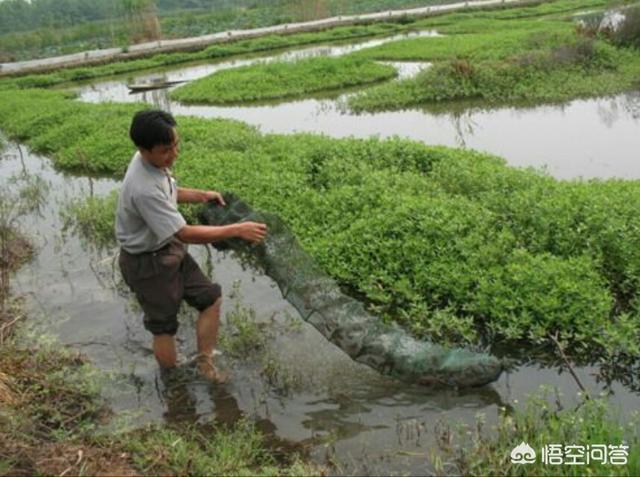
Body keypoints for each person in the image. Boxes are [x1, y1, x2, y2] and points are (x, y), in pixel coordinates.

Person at [116, 110, 267, 382]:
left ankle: (204, 364)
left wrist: (201, 195)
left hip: (167, 249)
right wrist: (236, 229)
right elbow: (184, 233)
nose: (174, 154)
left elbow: (170, 193)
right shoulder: (143, 188)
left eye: (176, 144)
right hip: (146, 263)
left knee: (210, 299)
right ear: (143, 149)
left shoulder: (150, 163)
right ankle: (174, 384)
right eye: (166, 150)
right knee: (164, 328)